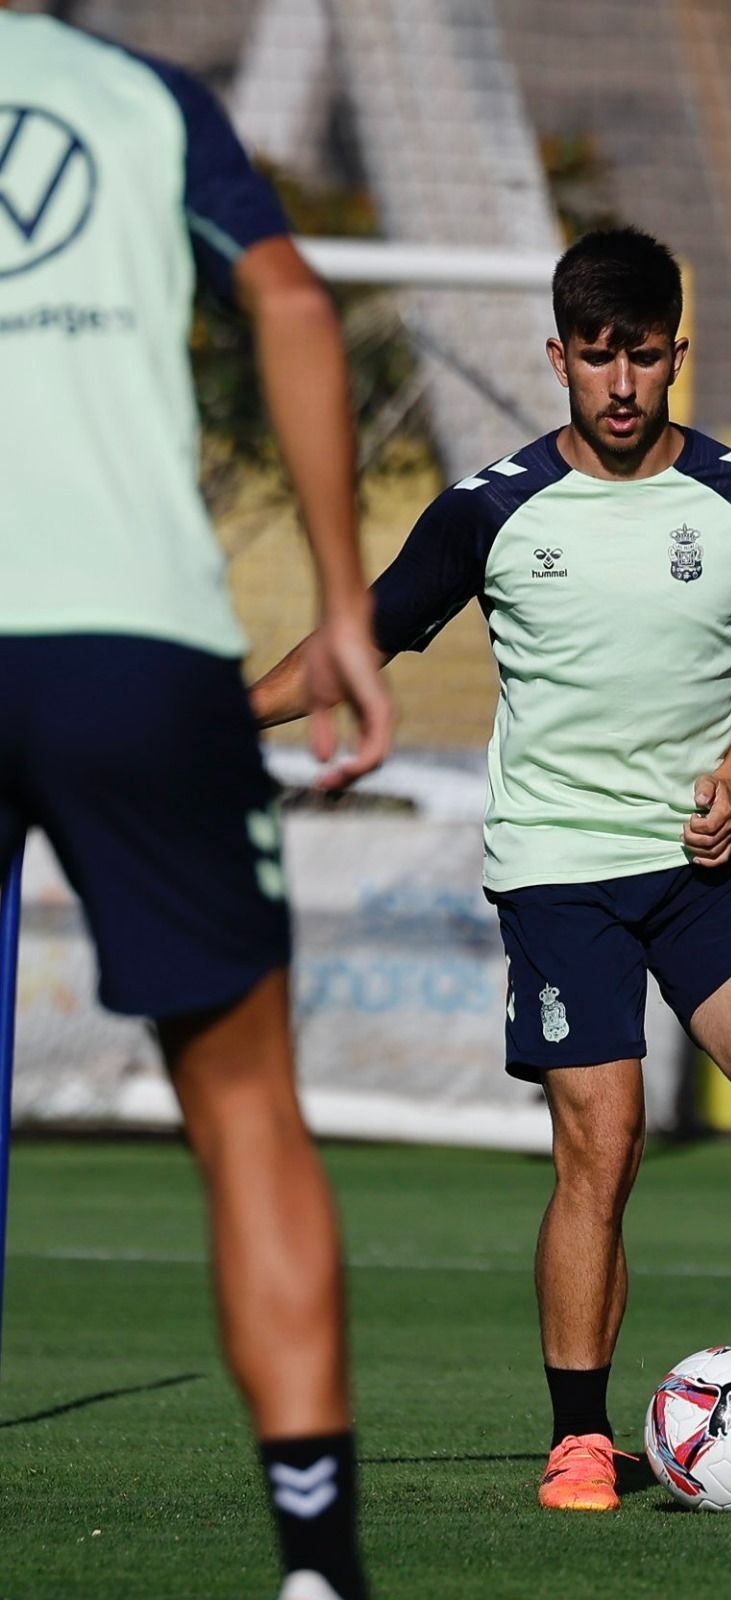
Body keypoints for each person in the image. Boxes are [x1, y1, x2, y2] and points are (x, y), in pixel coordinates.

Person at [254, 226, 731, 1513]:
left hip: (701, 860)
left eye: (642, 356)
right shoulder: (492, 509)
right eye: (594, 358)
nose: (619, 384)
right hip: (560, 871)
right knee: (603, 1146)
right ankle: (579, 1433)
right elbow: (363, 639)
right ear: (556, 357)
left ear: (678, 351)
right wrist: (223, 715)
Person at [0, 11, 391, 1597]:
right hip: (131, 653)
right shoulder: (140, 99)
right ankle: (314, 1568)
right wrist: (346, 603)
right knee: (242, 1113)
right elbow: (290, 300)